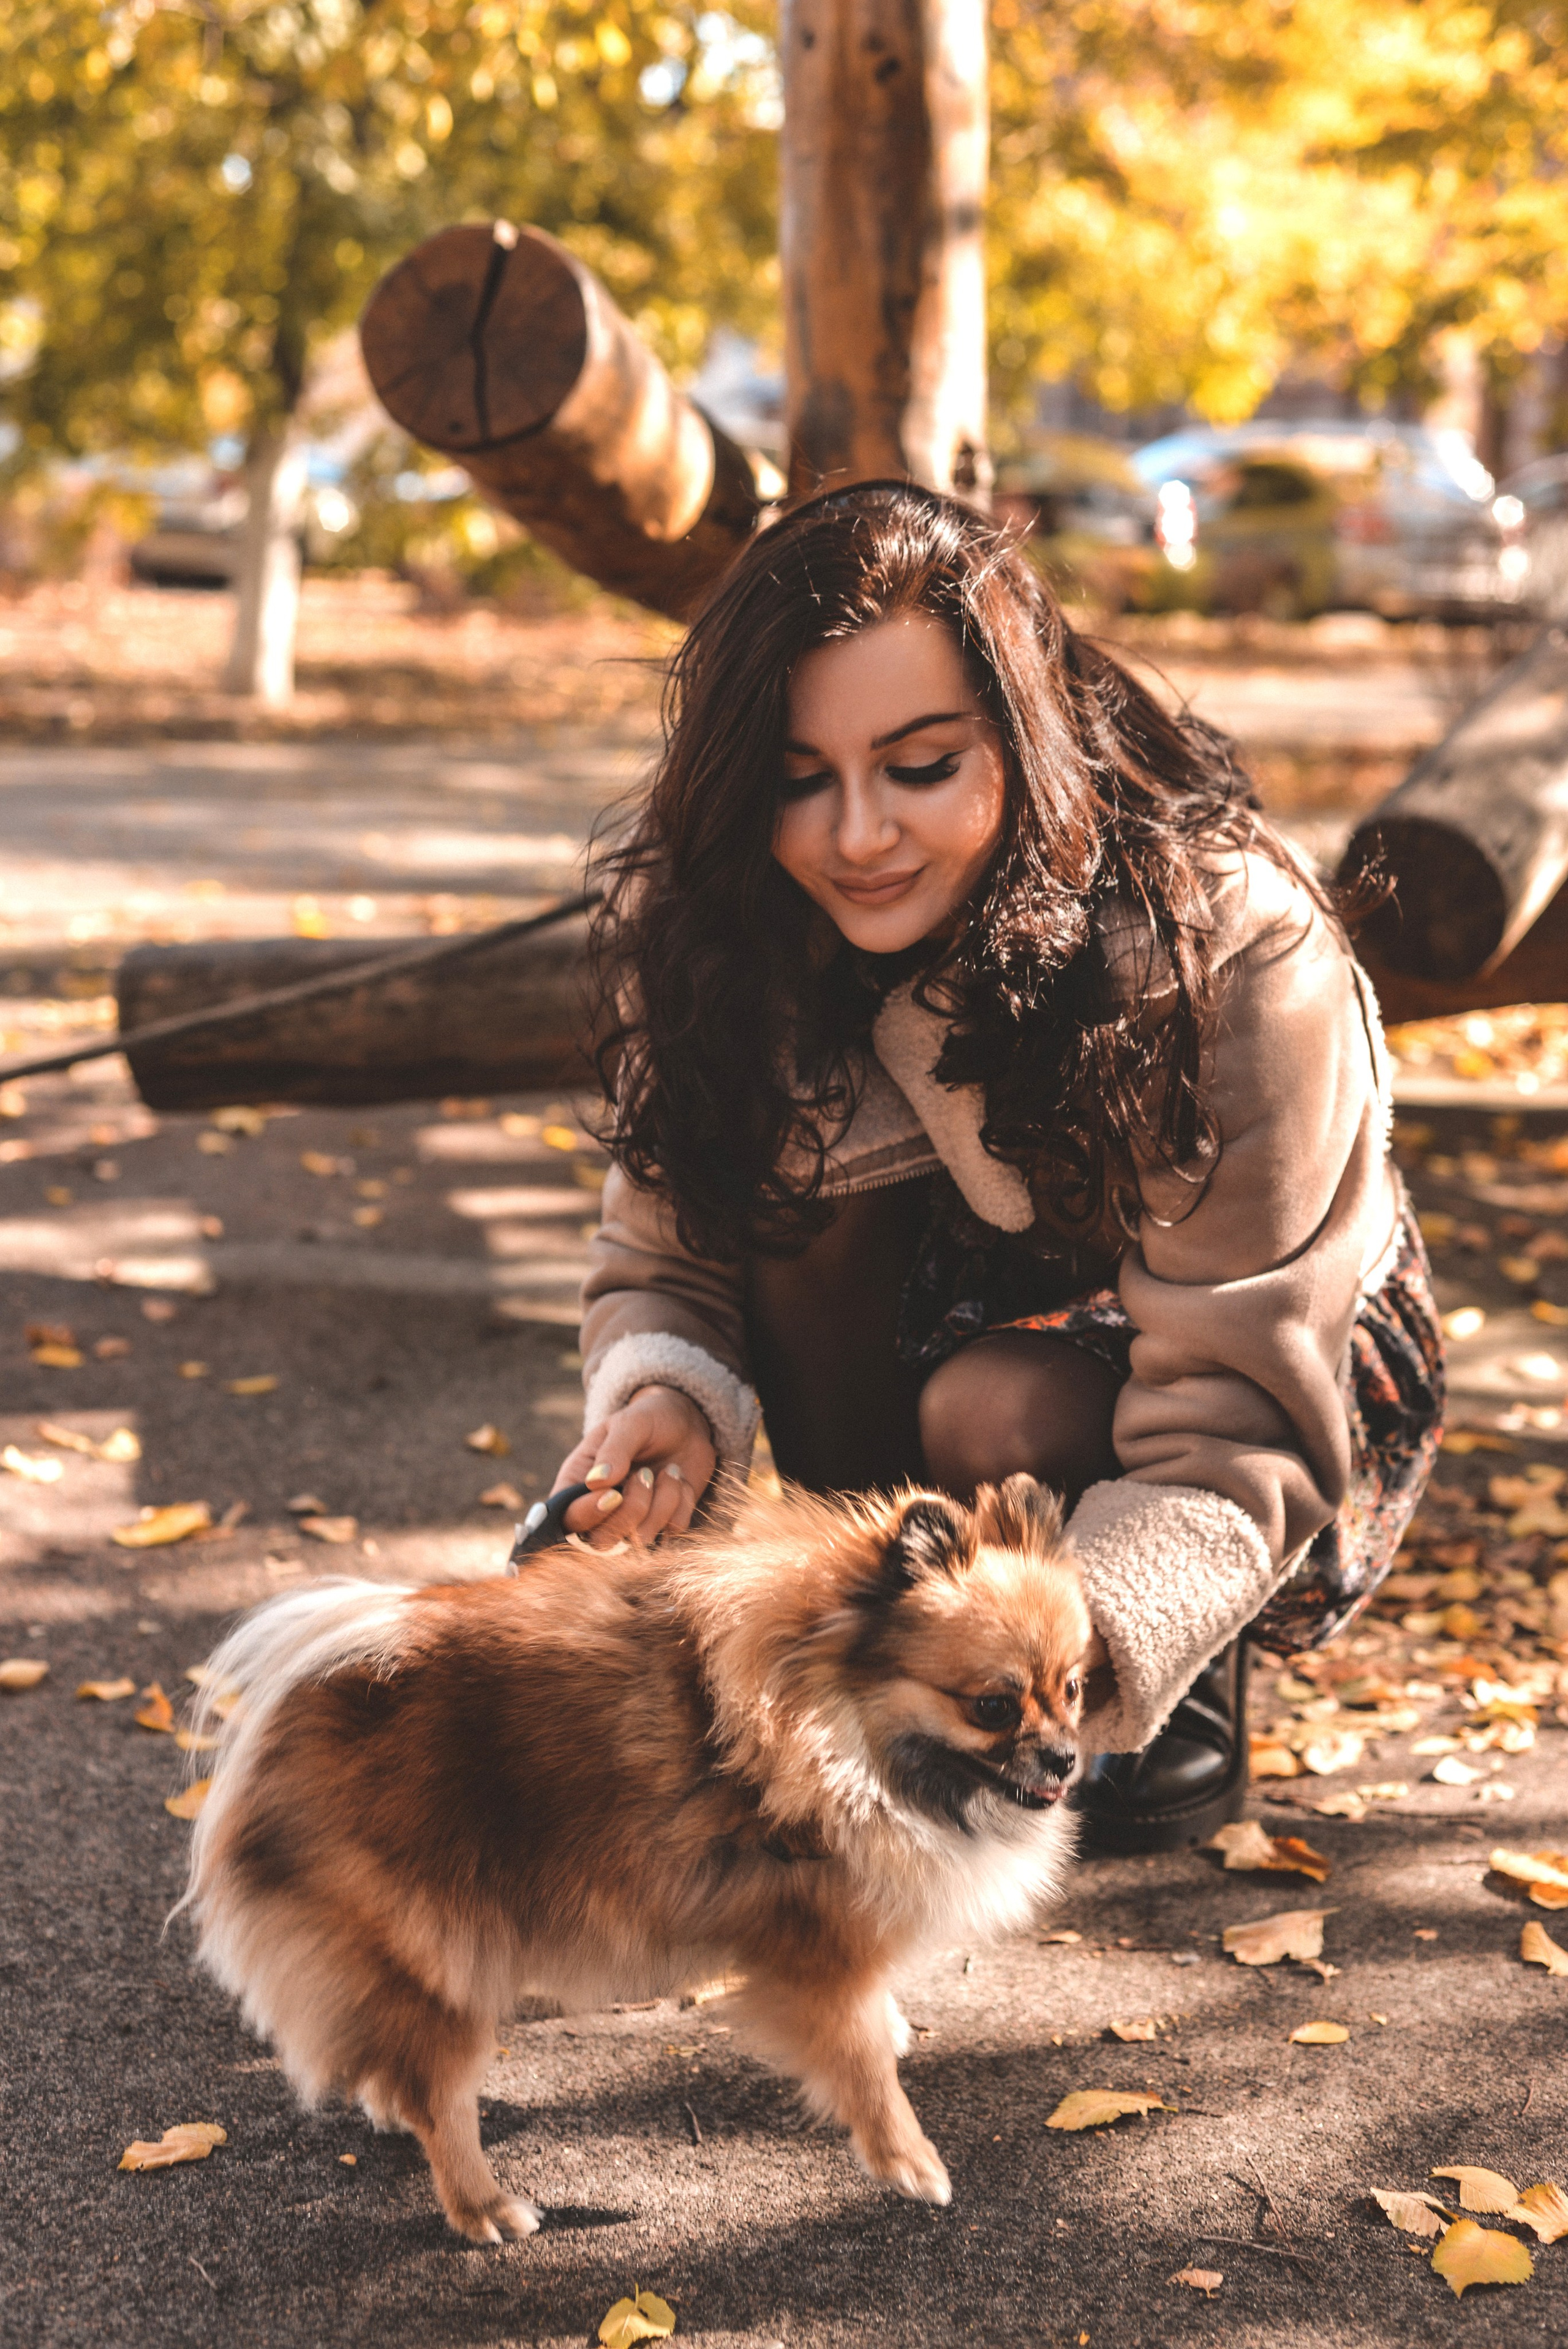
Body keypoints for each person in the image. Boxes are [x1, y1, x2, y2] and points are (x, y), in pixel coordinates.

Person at [548, 481, 1442, 1852]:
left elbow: (1242, 1393)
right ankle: (905, 1652)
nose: (857, 836)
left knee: (995, 1410)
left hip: (1271, 1376)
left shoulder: (1232, 947)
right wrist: (669, 1394)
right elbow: (669, 1253)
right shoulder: (721, 926)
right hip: (957, 1286)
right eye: (798, 778)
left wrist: (1107, 1637)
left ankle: (1149, 1684)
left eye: (919, 767)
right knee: (806, 1216)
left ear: (1024, 739)